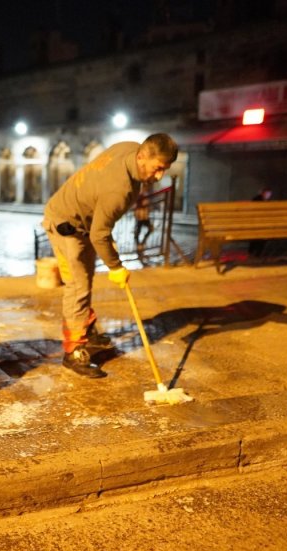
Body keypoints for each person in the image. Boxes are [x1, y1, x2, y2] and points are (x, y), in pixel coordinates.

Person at [42, 133, 179, 378]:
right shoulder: (120, 189)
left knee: (85, 278)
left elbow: (99, 224)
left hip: (83, 222)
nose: (159, 176)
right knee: (78, 286)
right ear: (141, 156)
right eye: (157, 169)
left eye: (164, 170)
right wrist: (116, 267)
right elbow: (99, 235)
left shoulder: (128, 148)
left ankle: (86, 327)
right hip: (65, 223)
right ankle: (73, 351)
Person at [248, 187, 272, 258]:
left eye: (269, 194)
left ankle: (253, 252)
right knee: (262, 236)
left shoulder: (256, 200)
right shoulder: (259, 200)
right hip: (258, 224)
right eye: (267, 194)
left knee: (260, 236)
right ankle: (256, 253)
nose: (268, 196)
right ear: (263, 193)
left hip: (257, 225)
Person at [133, 188, 153, 254]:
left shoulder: (145, 194)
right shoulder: (140, 195)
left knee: (149, 229)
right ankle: (139, 244)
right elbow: (138, 205)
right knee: (139, 229)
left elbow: (147, 204)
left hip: (144, 215)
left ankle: (141, 242)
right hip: (140, 215)